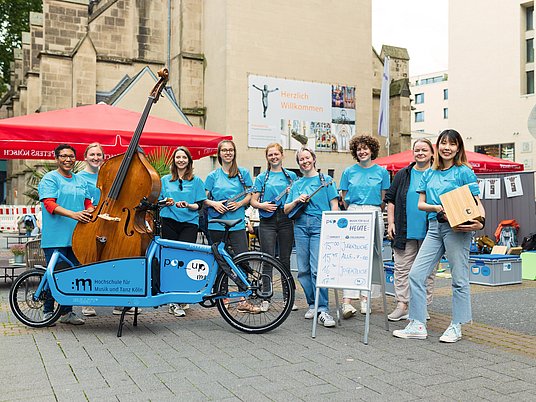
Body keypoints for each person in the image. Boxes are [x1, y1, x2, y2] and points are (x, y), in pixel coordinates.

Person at [393, 129, 486, 343]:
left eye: (452, 144)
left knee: (459, 279)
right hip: (435, 227)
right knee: (416, 275)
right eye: (443, 143)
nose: (447, 147)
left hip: (458, 229)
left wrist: (481, 222)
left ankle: (456, 326)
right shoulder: (429, 173)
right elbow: (420, 204)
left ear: (458, 148)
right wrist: (439, 208)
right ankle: (417, 323)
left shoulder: (464, 172)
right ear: (438, 147)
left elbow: (477, 204)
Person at [38, 144, 94, 325]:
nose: (68, 159)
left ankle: (67, 312)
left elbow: (87, 202)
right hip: (55, 237)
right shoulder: (50, 179)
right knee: (55, 274)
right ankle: (47, 310)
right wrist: (74, 214)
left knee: (71, 276)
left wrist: (90, 210)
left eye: (71, 156)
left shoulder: (80, 180)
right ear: (56, 158)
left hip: (77, 236)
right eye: (63, 156)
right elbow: (49, 205)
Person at [284, 147, 339, 327]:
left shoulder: (326, 180)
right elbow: (286, 209)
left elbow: (334, 206)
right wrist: (296, 200)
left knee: (317, 269)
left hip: (320, 225)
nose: (305, 161)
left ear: (314, 159)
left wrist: (333, 229)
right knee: (303, 271)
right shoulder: (297, 184)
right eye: (301, 159)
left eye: (307, 158)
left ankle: (323, 308)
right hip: (300, 226)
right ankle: (312, 304)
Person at [384, 138, 437, 321]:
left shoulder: (436, 174)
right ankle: (402, 305)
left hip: (431, 231)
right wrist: (391, 223)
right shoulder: (403, 174)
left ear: (431, 153)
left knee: (428, 271)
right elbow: (390, 200)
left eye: (424, 150)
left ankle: (422, 306)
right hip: (404, 230)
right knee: (402, 268)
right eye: (417, 150)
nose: (420, 153)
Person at [339, 135, 390, 318]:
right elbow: (344, 198)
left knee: (372, 257)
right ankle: (347, 301)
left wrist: (372, 209)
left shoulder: (382, 173)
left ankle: (365, 298)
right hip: (353, 212)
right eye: (359, 149)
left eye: (365, 148)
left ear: (372, 150)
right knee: (350, 255)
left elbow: (384, 199)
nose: (362, 151)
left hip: (374, 212)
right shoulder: (348, 172)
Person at [204, 140, 258, 313]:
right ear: (219, 154)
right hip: (217, 223)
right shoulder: (213, 176)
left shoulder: (243, 173)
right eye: (224, 150)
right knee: (220, 260)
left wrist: (240, 203)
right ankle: (223, 295)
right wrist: (214, 204)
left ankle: (244, 297)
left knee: (242, 258)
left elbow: (251, 195)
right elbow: (203, 199)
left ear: (234, 153)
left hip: (237, 224)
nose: (228, 153)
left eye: (231, 150)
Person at [250, 143, 298, 312]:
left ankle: (288, 297)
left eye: (276, 154)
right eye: (270, 155)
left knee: (285, 259)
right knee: (267, 259)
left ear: (282, 155)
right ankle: (265, 297)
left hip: (286, 219)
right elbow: (253, 201)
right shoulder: (262, 177)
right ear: (267, 157)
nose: (273, 157)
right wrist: (262, 206)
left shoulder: (291, 176)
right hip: (267, 221)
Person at [160, 146, 206, 317]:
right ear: (174, 160)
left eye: (184, 157)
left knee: (185, 259)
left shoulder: (196, 181)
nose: (181, 160)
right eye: (178, 157)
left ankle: (182, 295)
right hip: (169, 221)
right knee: (171, 260)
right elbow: (160, 201)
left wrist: (187, 205)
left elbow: (199, 205)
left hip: (189, 223)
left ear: (189, 161)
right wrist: (168, 202)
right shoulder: (165, 180)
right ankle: (172, 300)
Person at [77, 142, 104, 317]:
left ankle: (118, 301)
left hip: (106, 221)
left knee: (111, 260)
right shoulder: (79, 177)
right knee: (87, 260)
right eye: (92, 154)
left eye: (99, 155)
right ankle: (87, 302)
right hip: (87, 221)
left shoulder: (108, 175)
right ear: (85, 157)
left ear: (103, 157)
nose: (95, 158)